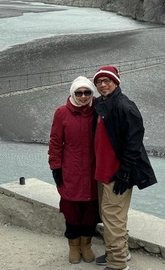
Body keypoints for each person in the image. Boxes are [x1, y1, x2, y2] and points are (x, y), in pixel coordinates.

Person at [92, 66, 156, 270]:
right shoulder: (102, 104)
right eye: (99, 81)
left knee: (113, 220)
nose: (103, 84)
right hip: (103, 172)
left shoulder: (124, 106)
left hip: (116, 174)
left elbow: (134, 144)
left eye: (107, 81)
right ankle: (118, 253)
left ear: (116, 82)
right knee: (110, 217)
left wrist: (124, 173)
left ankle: (118, 264)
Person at [49, 76, 99, 264]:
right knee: (71, 209)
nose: (83, 96)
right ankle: (73, 245)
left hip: (93, 171)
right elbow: (55, 142)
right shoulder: (61, 113)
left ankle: (86, 245)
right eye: (79, 92)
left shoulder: (98, 110)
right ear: (72, 93)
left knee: (90, 210)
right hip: (71, 170)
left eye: (87, 92)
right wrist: (55, 166)